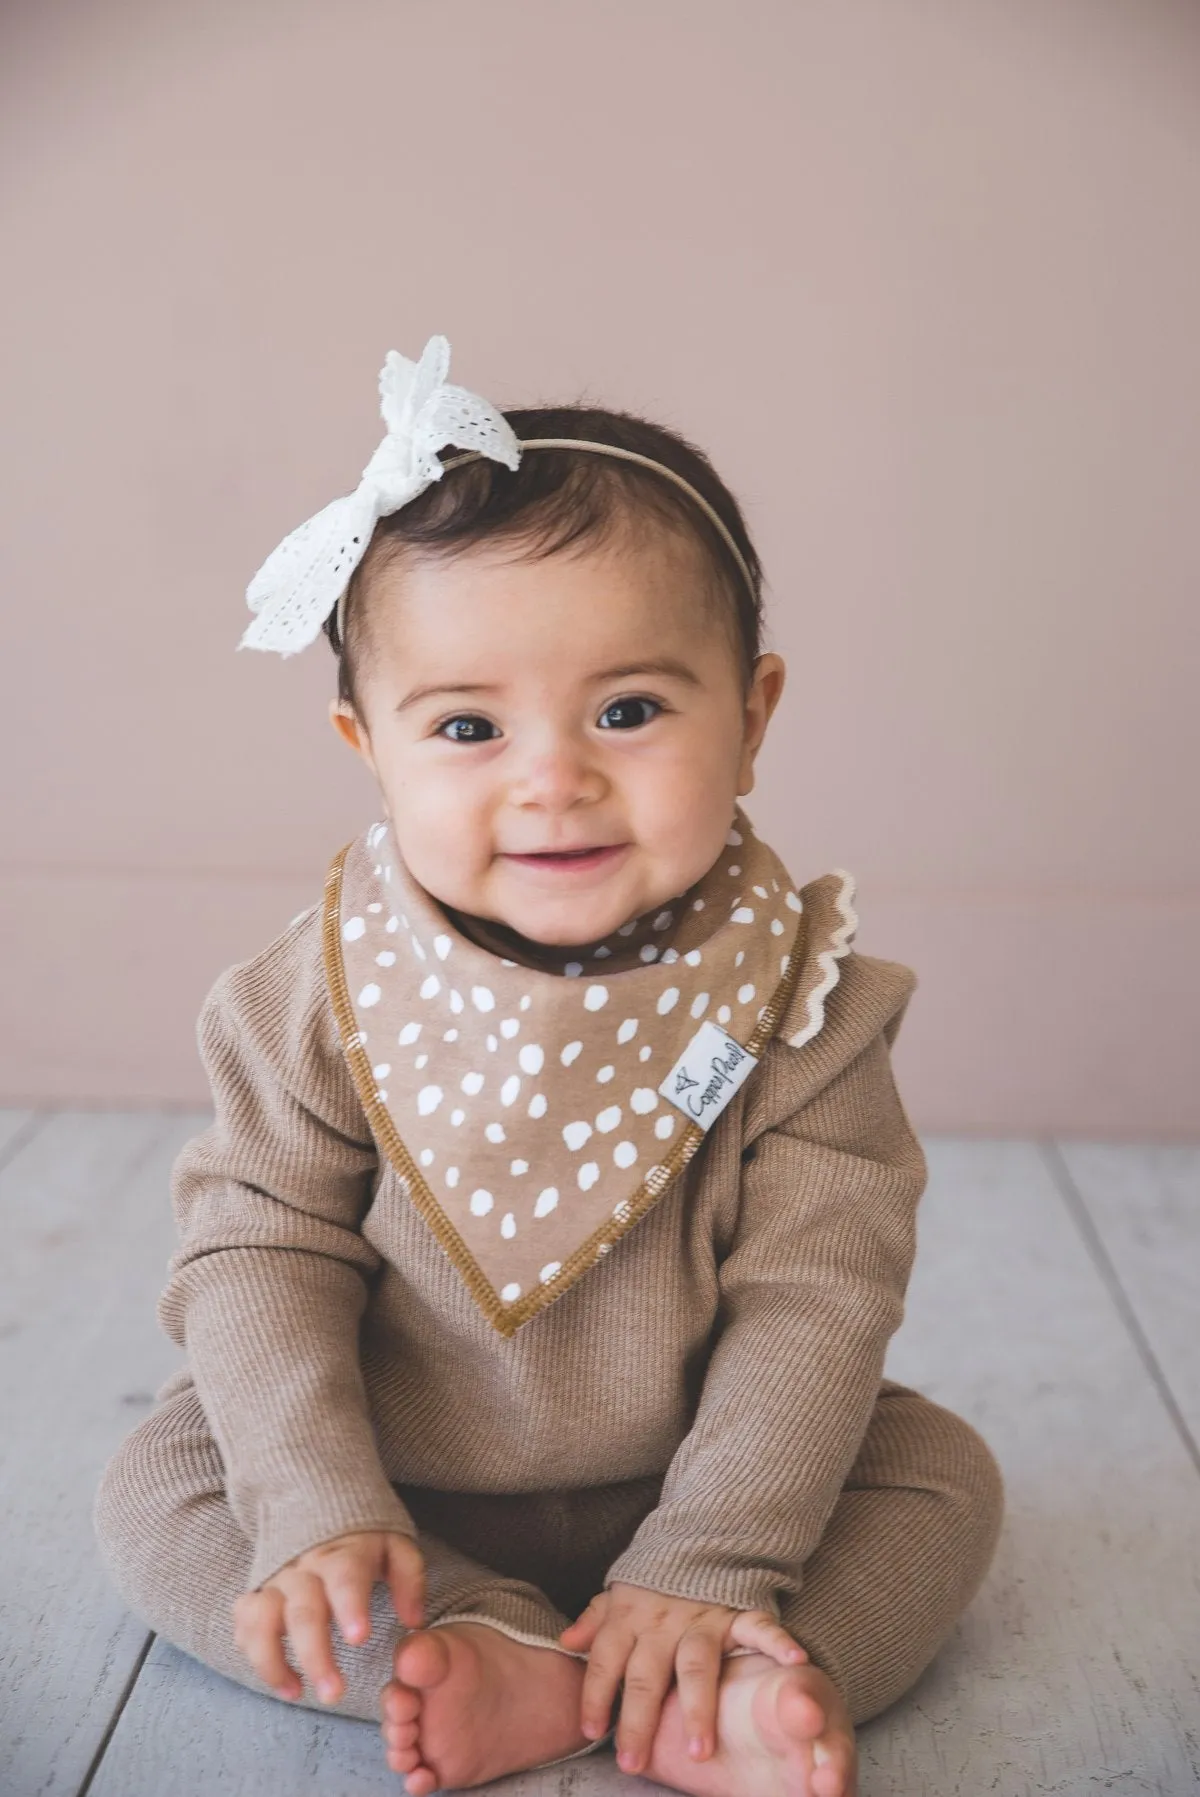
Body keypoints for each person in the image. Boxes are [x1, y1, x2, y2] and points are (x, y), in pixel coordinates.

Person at [94, 336, 1003, 1797]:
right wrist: (318, 1506)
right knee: (168, 1490)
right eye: (466, 726)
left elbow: (817, 1299)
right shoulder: (312, 998)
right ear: (367, 746)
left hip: (702, 1475)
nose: (553, 776)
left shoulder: (805, 1005)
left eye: (630, 710)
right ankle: (498, 1647)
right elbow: (258, 1253)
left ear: (753, 717)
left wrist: (717, 1552)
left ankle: (726, 1657)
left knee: (938, 1478)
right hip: (400, 1474)